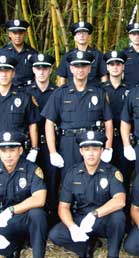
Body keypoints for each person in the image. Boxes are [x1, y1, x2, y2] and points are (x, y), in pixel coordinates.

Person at [48, 131, 126, 258]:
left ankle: (113, 257)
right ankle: (87, 246)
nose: (91, 153)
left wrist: (95, 214)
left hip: (103, 218)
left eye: (95, 149)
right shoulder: (72, 173)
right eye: (87, 149)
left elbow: (120, 200)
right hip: (80, 218)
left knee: (119, 216)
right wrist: (72, 227)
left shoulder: (111, 171)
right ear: (81, 151)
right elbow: (63, 207)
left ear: (101, 151)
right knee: (55, 234)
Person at [41, 51, 113, 179]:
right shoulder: (60, 94)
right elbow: (49, 123)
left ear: (89, 68)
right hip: (69, 145)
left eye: (84, 66)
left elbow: (108, 122)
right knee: (69, 180)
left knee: (94, 179)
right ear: (71, 68)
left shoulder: (98, 93)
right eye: (77, 66)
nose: (80, 70)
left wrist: (107, 148)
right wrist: (52, 152)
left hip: (93, 143)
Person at [26, 53, 59, 226]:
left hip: (50, 145)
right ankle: (32, 221)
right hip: (30, 146)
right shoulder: (25, 92)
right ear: (33, 69)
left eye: (45, 68)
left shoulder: (58, 92)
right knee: (30, 182)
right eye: (38, 68)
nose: (41, 72)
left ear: (50, 70)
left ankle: (52, 219)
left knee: (52, 181)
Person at [102, 50, 134, 208]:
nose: (115, 67)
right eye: (111, 64)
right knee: (103, 178)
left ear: (123, 67)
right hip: (104, 141)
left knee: (124, 177)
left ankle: (125, 216)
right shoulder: (99, 90)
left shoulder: (132, 90)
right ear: (107, 67)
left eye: (118, 64)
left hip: (124, 141)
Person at [0, 19, 37, 87]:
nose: (18, 36)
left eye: (20, 33)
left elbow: (37, 75)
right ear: (10, 34)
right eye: (15, 33)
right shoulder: (2, 52)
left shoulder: (33, 53)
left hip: (27, 90)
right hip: (8, 91)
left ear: (25, 34)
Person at [56, 21, 107, 86]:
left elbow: (104, 77)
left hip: (93, 93)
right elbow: (62, 80)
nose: (82, 35)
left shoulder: (98, 55)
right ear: (75, 38)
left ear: (89, 36)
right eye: (79, 33)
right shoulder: (68, 56)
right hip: (71, 94)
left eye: (84, 33)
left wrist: (102, 93)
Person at [123, 23, 139, 88]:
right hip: (129, 90)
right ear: (130, 36)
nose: (136, 37)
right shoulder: (124, 54)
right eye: (134, 34)